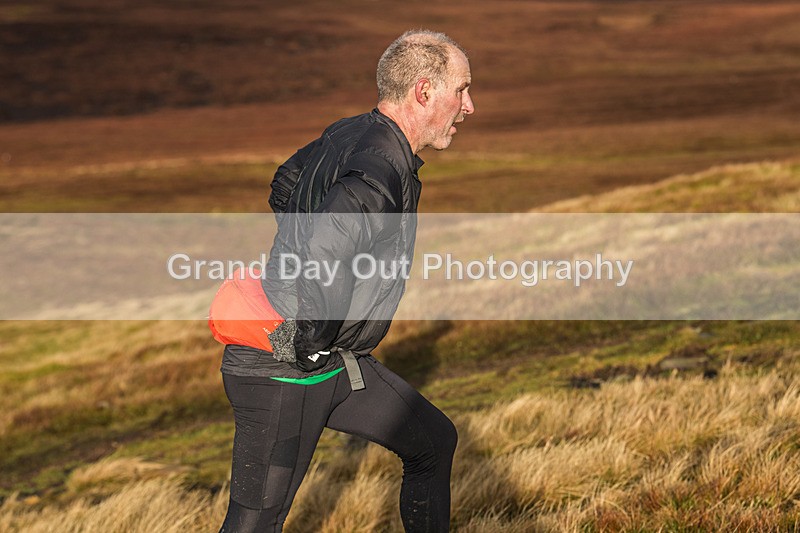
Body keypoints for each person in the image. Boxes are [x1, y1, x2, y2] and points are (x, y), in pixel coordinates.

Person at [217, 29, 475, 532]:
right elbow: (325, 250)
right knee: (253, 524)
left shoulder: (353, 132)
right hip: (284, 368)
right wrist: (309, 336)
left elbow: (286, 183)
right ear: (424, 91)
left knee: (432, 441)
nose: (469, 106)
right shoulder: (382, 163)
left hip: (335, 362)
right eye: (461, 89)